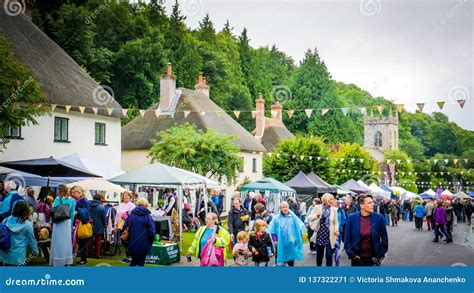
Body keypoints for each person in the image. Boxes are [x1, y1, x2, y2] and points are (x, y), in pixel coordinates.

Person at [344, 194, 388, 266]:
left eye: (372, 202)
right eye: (369, 203)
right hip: (357, 259)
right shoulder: (351, 218)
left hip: (374, 259)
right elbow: (347, 239)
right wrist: (352, 254)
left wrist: (380, 256)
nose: (372, 205)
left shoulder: (379, 217)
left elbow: (384, 239)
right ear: (362, 205)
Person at [0, 200, 38, 266]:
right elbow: (32, 240)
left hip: (3, 256)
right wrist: (35, 251)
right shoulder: (27, 225)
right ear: (26, 210)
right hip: (18, 257)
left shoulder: (5, 220)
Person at [268, 201, 306, 266]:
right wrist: (275, 240)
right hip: (280, 243)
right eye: (283, 207)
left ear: (288, 207)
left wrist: (297, 239)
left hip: (291, 242)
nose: (285, 208)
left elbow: (298, 228)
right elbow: (272, 230)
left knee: (291, 260)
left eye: (286, 207)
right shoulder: (276, 218)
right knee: (280, 261)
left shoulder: (293, 217)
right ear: (280, 208)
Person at [307, 193, 339, 266]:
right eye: (330, 199)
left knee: (329, 255)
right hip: (320, 235)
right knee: (319, 255)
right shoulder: (317, 207)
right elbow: (310, 217)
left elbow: (336, 222)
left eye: (332, 199)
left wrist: (336, 230)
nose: (332, 201)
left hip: (330, 235)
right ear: (325, 199)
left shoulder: (334, 209)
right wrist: (316, 215)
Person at [123, 198, 155, 266]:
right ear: (146, 205)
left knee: (134, 261)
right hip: (144, 243)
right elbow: (152, 232)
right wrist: (152, 240)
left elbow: (124, 227)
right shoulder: (148, 216)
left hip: (133, 242)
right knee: (139, 262)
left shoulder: (131, 215)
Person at [49, 184, 76, 266]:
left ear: (59, 191)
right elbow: (72, 214)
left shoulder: (57, 199)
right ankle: (66, 260)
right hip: (67, 223)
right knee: (66, 242)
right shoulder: (72, 200)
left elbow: (52, 212)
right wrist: (71, 225)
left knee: (57, 242)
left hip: (58, 222)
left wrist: (51, 223)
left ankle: (57, 260)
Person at [115, 191, 136, 263]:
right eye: (124, 195)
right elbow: (116, 215)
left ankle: (131, 257)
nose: (126, 196)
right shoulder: (120, 205)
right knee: (123, 241)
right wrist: (115, 224)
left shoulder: (132, 205)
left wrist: (126, 216)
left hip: (128, 226)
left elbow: (133, 216)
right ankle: (129, 256)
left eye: (127, 195)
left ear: (130, 197)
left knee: (127, 241)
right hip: (120, 226)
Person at [73, 186, 91, 266]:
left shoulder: (84, 201)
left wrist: (77, 212)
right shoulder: (80, 200)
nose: (73, 194)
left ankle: (84, 260)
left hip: (82, 223)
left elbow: (87, 213)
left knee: (82, 241)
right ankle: (83, 259)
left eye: (75, 192)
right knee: (79, 241)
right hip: (79, 223)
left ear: (79, 193)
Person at [89, 193, 107, 258]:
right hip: (99, 226)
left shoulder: (89, 205)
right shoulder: (101, 207)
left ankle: (89, 253)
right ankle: (97, 254)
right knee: (98, 240)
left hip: (90, 225)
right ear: (99, 199)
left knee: (90, 240)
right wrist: (105, 225)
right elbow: (104, 218)